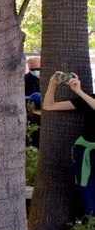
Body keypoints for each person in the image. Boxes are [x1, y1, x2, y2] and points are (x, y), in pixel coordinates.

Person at [42, 70, 95, 214]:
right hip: (85, 156)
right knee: (89, 204)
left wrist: (80, 92)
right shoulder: (89, 99)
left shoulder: (87, 98)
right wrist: (53, 84)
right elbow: (49, 106)